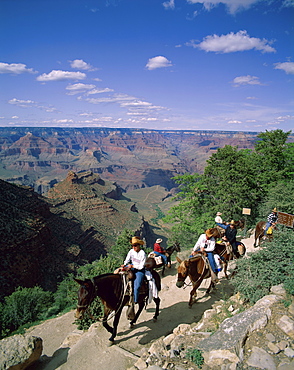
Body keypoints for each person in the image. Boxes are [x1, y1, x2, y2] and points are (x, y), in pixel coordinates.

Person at [122, 236, 146, 304]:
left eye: (135, 245)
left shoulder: (142, 253)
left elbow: (141, 266)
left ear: (139, 245)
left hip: (139, 270)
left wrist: (133, 266)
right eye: (132, 245)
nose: (133, 247)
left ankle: (135, 300)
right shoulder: (131, 251)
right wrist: (124, 264)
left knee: (137, 286)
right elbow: (127, 259)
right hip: (131, 267)